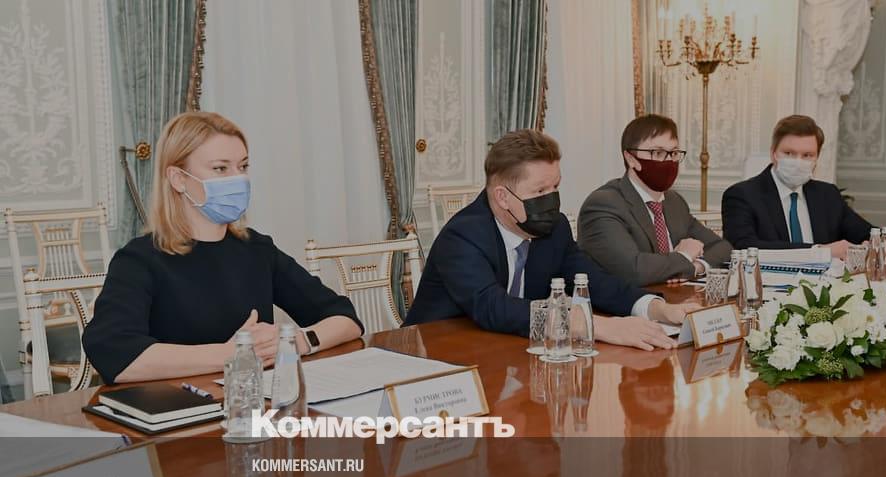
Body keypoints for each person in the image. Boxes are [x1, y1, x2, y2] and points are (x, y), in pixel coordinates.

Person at [83, 112, 363, 384]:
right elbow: (114, 353)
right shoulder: (139, 259)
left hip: (252, 402)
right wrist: (231, 354)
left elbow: (345, 318)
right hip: (178, 408)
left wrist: (298, 341)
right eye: (220, 168)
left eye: (243, 166)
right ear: (178, 179)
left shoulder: (257, 249)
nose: (238, 179)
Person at [403, 129, 700, 351]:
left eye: (555, 187)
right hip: (436, 358)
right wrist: (595, 326)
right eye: (539, 191)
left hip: (509, 349)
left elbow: (593, 280)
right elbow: (493, 308)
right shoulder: (463, 235)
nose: (551, 200)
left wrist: (655, 308)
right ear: (503, 197)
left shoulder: (554, 228)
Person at [578, 114, 732, 285]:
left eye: (674, 153)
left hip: (676, 296)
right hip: (630, 301)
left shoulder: (674, 201)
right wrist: (684, 256)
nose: (669, 161)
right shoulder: (604, 204)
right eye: (658, 153)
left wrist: (697, 267)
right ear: (631, 158)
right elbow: (635, 270)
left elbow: (722, 248)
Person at [722, 115, 885, 259]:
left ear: (816, 159)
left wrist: (870, 247)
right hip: (769, 283)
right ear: (773, 154)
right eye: (789, 153)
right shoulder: (742, 195)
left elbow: (879, 239)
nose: (798, 162)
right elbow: (743, 248)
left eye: (807, 155)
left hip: (825, 283)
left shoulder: (827, 195)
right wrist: (821, 252)